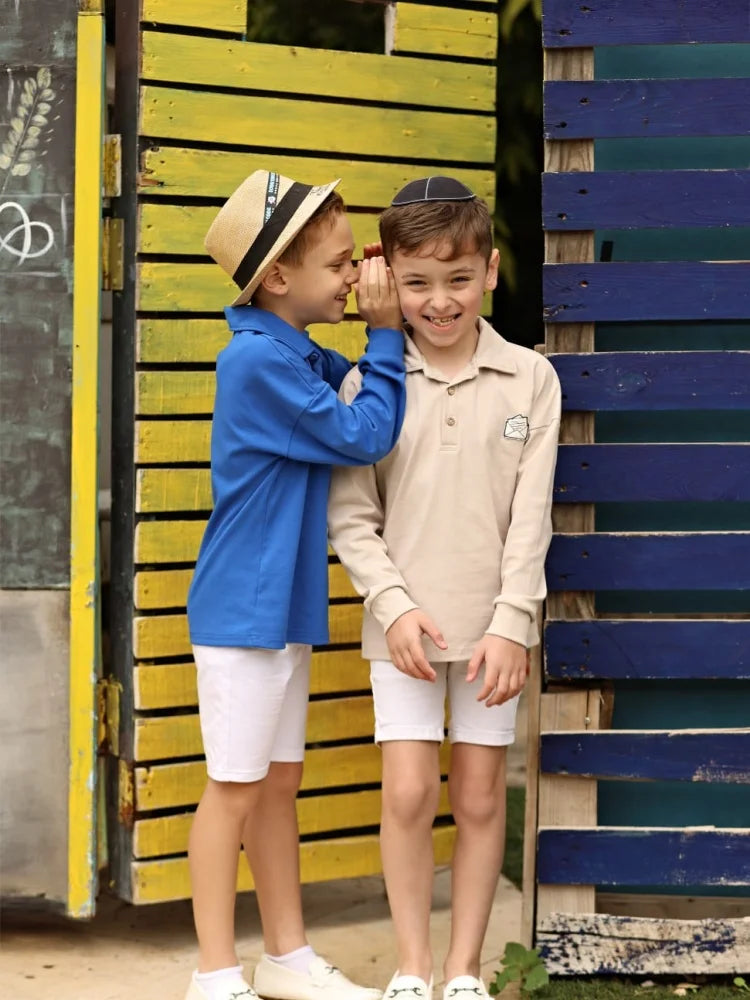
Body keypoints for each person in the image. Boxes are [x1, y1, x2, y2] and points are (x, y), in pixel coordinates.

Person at [328, 176, 561, 1000]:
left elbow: (531, 519)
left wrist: (511, 623)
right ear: (386, 278)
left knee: (479, 792)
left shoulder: (530, 378)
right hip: (406, 632)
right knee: (408, 790)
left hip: (495, 630)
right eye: (417, 282)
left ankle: (462, 969)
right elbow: (353, 518)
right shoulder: (370, 387)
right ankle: (413, 967)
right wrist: (391, 607)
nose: (440, 301)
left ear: (490, 273)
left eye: (458, 280)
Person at [185, 169, 406, 1000]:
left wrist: (377, 332)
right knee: (234, 790)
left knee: (277, 784)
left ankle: (285, 957)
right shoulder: (254, 366)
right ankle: (213, 972)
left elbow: (345, 385)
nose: (355, 278)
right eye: (343, 265)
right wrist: (385, 335)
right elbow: (364, 433)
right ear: (278, 278)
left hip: (275, 606)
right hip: (244, 608)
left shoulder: (287, 348)